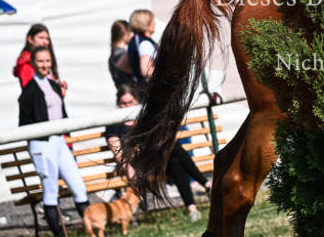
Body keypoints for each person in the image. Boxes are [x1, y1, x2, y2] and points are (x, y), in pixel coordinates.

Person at [106, 84, 210, 222]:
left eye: (130, 102)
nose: (128, 106)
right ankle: (206, 184)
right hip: (136, 160)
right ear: (118, 103)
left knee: (174, 159)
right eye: (123, 103)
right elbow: (117, 150)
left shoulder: (143, 116)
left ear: (136, 100)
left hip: (154, 157)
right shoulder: (114, 123)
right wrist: (128, 168)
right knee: (171, 150)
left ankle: (192, 208)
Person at [18, 46, 88, 236]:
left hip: (59, 142)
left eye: (47, 61)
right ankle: (60, 234)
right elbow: (23, 123)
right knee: (51, 192)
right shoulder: (28, 91)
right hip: (42, 144)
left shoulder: (55, 84)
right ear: (33, 63)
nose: (44, 65)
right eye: (40, 61)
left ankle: (92, 230)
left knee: (78, 187)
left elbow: (58, 112)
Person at [13, 23, 67, 93]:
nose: (45, 42)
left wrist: (58, 87)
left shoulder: (46, 62)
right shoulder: (26, 65)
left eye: (47, 38)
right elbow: (31, 94)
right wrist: (57, 91)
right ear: (30, 39)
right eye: (41, 38)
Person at [112, 10, 157, 89]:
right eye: (152, 21)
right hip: (150, 91)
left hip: (141, 89)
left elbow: (121, 65)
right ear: (146, 24)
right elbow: (145, 70)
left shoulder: (134, 40)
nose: (154, 24)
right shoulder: (145, 43)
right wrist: (166, 74)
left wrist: (136, 71)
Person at [108, 20, 138, 89]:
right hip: (131, 93)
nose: (132, 35)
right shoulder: (121, 55)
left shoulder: (112, 56)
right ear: (125, 34)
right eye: (130, 32)